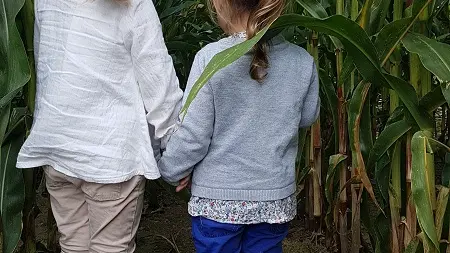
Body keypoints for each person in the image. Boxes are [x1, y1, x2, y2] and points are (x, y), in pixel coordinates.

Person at [17, 0, 183, 252]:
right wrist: (179, 156)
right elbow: (160, 89)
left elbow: (48, 62)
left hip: (57, 147)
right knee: (110, 248)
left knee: (73, 246)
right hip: (110, 158)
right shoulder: (133, 4)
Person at [158, 0, 320, 252]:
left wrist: (172, 170)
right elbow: (308, 116)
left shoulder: (210, 60)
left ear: (220, 4)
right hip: (273, 199)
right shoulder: (302, 60)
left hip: (218, 201)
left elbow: (194, 135)